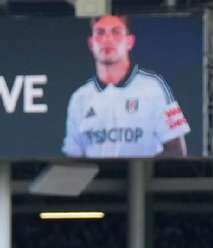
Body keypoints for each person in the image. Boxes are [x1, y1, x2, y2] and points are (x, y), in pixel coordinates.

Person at [63, 15, 190, 158]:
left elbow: (177, 151)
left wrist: (138, 173)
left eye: (116, 32)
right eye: (100, 33)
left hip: (141, 179)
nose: (107, 39)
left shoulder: (154, 87)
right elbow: (73, 159)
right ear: (91, 43)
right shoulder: (79, 98)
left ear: (129, 42)